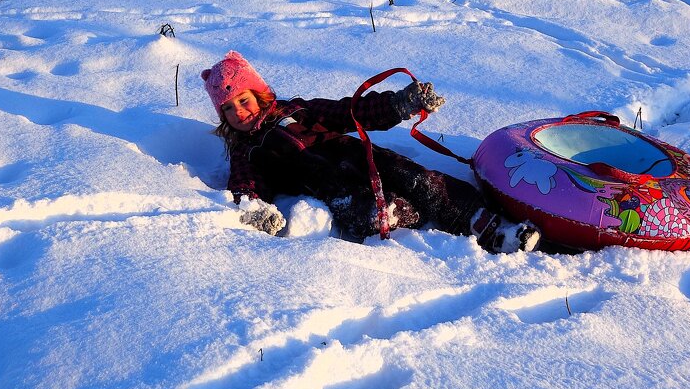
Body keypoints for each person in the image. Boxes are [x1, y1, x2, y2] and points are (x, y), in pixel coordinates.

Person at [203, 51, 540, 253]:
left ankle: (492, 228)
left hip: (363, 158)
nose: (239, 113)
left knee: (420, 179)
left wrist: (398, 104)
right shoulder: (246, 151)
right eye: (228, 109)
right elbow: (245, 184)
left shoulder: (295, 110)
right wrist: (254, 208)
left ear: (259, 93)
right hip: (332, 190)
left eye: (243, 100)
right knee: (370, 216)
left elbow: (347, 112)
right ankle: (416, 216)